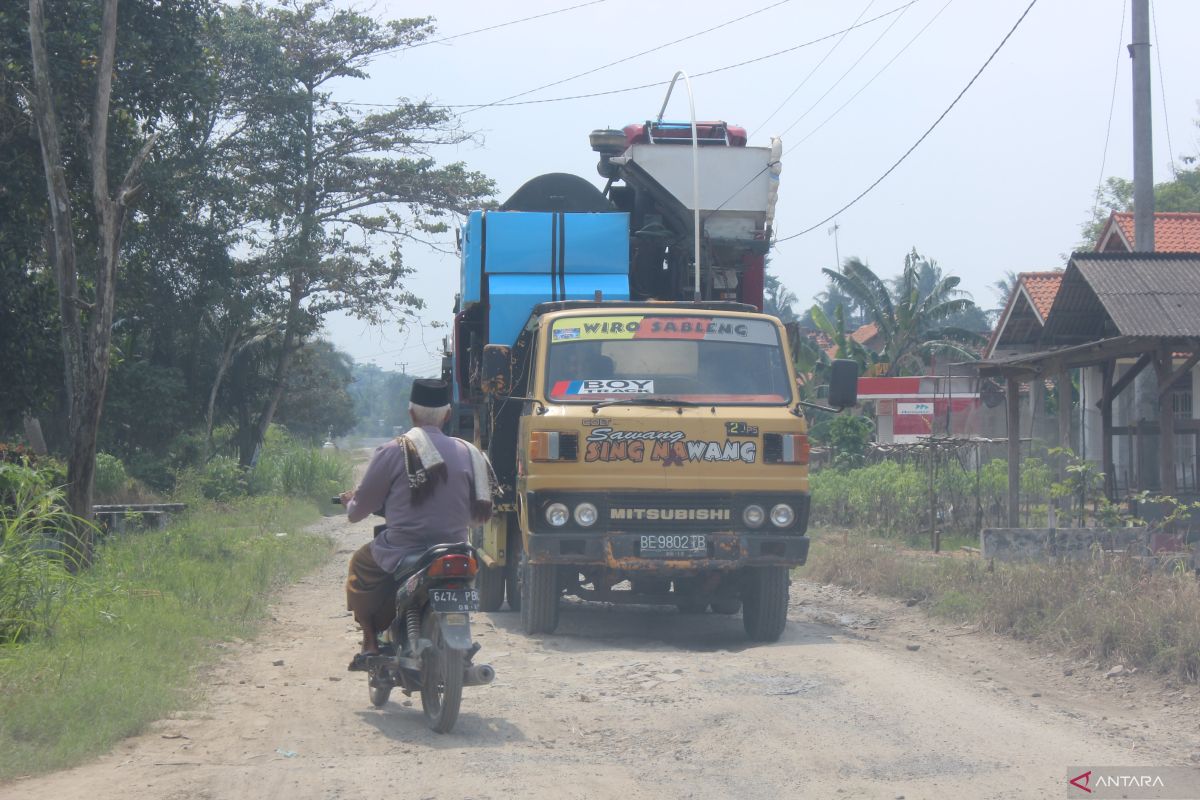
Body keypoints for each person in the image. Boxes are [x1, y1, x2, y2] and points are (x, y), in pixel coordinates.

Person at [340, 378, 495, 671]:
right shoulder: (470, 453)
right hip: (457, 549)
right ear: (448, 415)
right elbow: (477, 517)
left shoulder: (393, 450)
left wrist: (350, 503)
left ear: (411, 414)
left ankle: (371, 641)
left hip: (403, 550)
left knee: (360, 565)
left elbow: (358, 511)